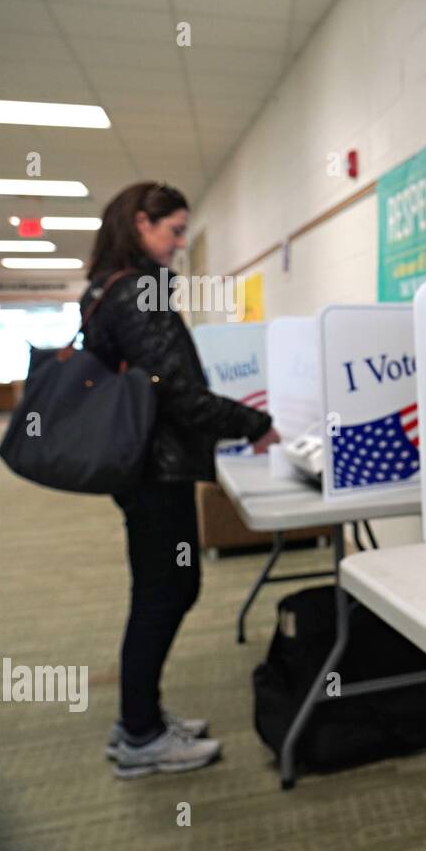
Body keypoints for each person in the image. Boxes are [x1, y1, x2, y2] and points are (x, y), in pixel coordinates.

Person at [80, 181, 280, 778]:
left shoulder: (110, 289)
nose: (178, 244)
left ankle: (138, 721)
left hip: (144, 467)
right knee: (164, 590)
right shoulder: (136, 293)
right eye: (172, 231)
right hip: (154, 470)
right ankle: (140, 736)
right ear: (141, 223)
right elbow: (176, 393)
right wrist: (253, 423)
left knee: (167, 586)